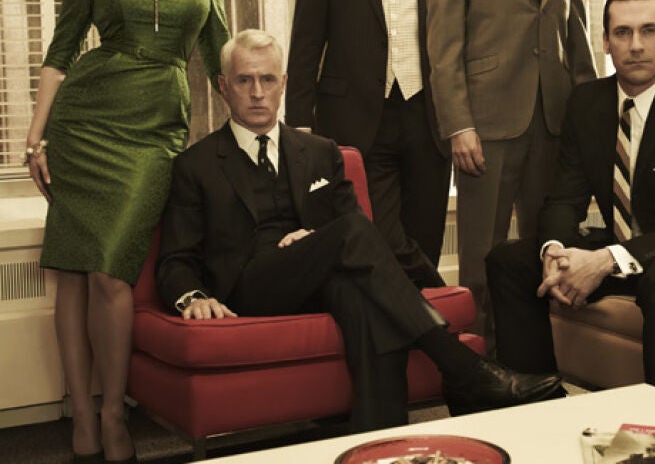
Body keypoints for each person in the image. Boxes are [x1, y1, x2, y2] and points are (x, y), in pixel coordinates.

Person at [156, 29, 563, 433]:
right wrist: (192, 296)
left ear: (284, 84)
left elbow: (358, 239)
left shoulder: (321, 152)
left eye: (267, 79)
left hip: (319, 282)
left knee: (357, 295)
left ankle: (381, 439)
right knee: (349, 235)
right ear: (224, 87)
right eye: (245, 80)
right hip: (251, 288)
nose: (257, 92)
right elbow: (175, 259)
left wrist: (313, 242)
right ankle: (463, 368)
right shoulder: (197, 165)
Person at [23, 0, 229, 461]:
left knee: (112, 272)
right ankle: (83, 417)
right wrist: (36, 137)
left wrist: (263, 127)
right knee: (73, 269)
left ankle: (114, 413)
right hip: (84, 123)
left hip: (156, 129)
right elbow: (61, 53)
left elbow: (220, 57)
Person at [486, 0, 655, 400]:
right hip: (624, 247)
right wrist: (555, 251)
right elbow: (563, 198)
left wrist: (606, 260)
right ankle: (539, 404)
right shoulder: (587, 102)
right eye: (622, 33)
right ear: (606, 42)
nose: (636, 45)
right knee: (510, 260)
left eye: (649, 31)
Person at [426, 0, 597, 339]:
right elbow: (443, 43)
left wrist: (590, 115)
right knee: (483, 257)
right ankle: (480, 358)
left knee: (551, 250)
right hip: (486, 124)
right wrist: (458, 124)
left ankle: (538, 354)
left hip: (554, 119)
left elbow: (574, 31)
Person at [286, 0, 449, 287]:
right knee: (380, 236)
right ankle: (434, 306)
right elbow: (305, 45)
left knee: (425, 235)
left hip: (427, 118)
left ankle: (419, 320)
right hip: (355, 118)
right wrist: (300, 127)